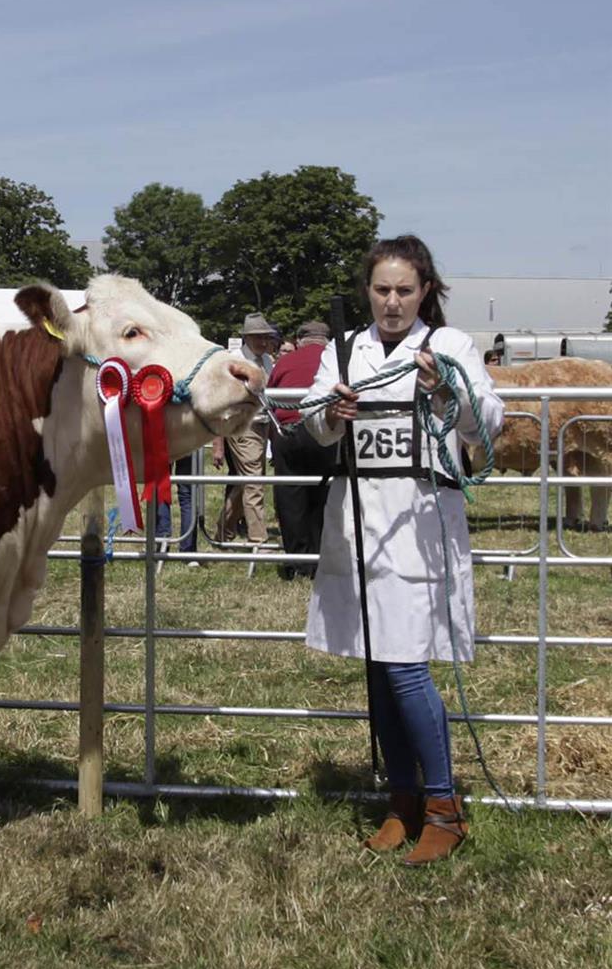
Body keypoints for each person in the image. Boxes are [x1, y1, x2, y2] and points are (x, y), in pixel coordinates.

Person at [303, 234, 503, 865]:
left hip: (420, 524)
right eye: (382, 290)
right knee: (377, 666)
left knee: (405, 665)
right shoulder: (343, 349)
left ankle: (445, 807)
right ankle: (403, 801)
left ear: (425, 292)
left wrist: (445, 391)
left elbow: (488, 421)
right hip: (358, 520)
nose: (392, 302)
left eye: (405, 291)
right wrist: (332, 413)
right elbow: (313, 421)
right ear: (368, 291)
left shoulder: (450, 345)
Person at [269, 320, 339, 580]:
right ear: (327, 341)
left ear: (299, 341)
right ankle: (320, 558)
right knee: (325, 495)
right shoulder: (335, 361)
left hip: (288, 431)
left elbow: (270, 397)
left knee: (290, 496)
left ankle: (297, 562)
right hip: (325, 430)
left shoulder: (285, 362)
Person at [212, 312, 276, 543]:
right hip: (241, 425)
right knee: (254, 482)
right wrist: (218, 443)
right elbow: (219, 403)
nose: (263, 341)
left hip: (263, 424)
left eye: (266, 337)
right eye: (258, 337)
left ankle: (224, 530)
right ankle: (259, 539)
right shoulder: (233, 362)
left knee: (249, 481)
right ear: (246, 338)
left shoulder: (267, 360)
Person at [155, 454, 198, 567]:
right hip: (188, 445)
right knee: (187, 494)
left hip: (164, 444)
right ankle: (188, 550)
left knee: (161, 489)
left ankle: (162, 543)